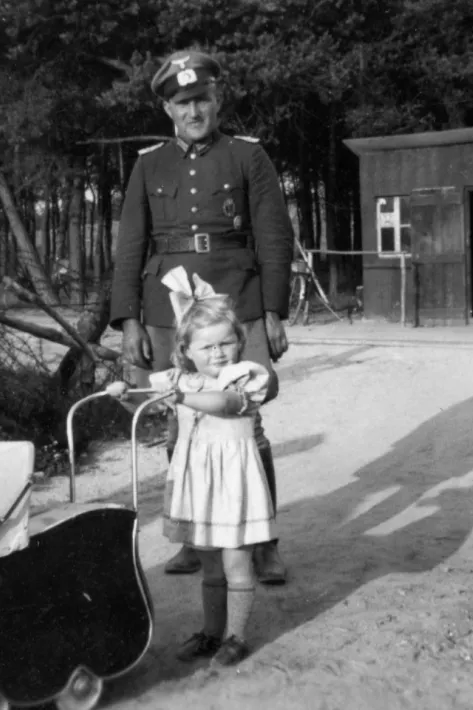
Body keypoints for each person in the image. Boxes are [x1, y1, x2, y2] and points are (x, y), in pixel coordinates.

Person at [109, 48, 294, 584]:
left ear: (218, 100)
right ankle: (193, 538)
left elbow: (273, 236)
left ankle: (263, 543)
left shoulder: (248, 156)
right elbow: (130, 248)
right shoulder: (148, 164)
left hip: (237, 299)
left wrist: (274, 310)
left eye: (202, 100)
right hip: (166, 310)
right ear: (167, 108)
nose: (194, 111)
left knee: (246, 422)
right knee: (180, 421)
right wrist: (128, 322)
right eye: (183, 102)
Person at [106, 267, 275, 666]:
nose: (218, 354)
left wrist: (179, 396)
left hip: (234, 485)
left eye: (226, 343)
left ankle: (235, 636)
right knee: (211, 568)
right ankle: (211, 632)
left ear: (239, 343)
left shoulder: (244, 377)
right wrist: (123, 393)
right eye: (207, 347)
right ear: (186, 351)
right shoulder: (180, 380)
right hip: (199, 485)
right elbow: (143, 399)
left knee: (236, 563)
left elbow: (226, 405)